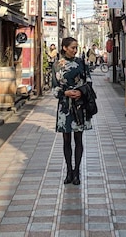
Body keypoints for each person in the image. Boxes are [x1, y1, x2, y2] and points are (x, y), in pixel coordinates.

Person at [52, 36, 92, 186]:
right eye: (72, 47)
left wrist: (81, 92)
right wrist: (65, 93)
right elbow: (54, 87)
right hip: (64, 105)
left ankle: (77, 171)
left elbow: (88, 81)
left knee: (79, 139)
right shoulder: (57, 65)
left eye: (76, 47)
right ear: (64, 48)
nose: (75, 50)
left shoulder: (81, 63)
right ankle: (69, 170)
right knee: (66, 139)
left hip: (80, 105)